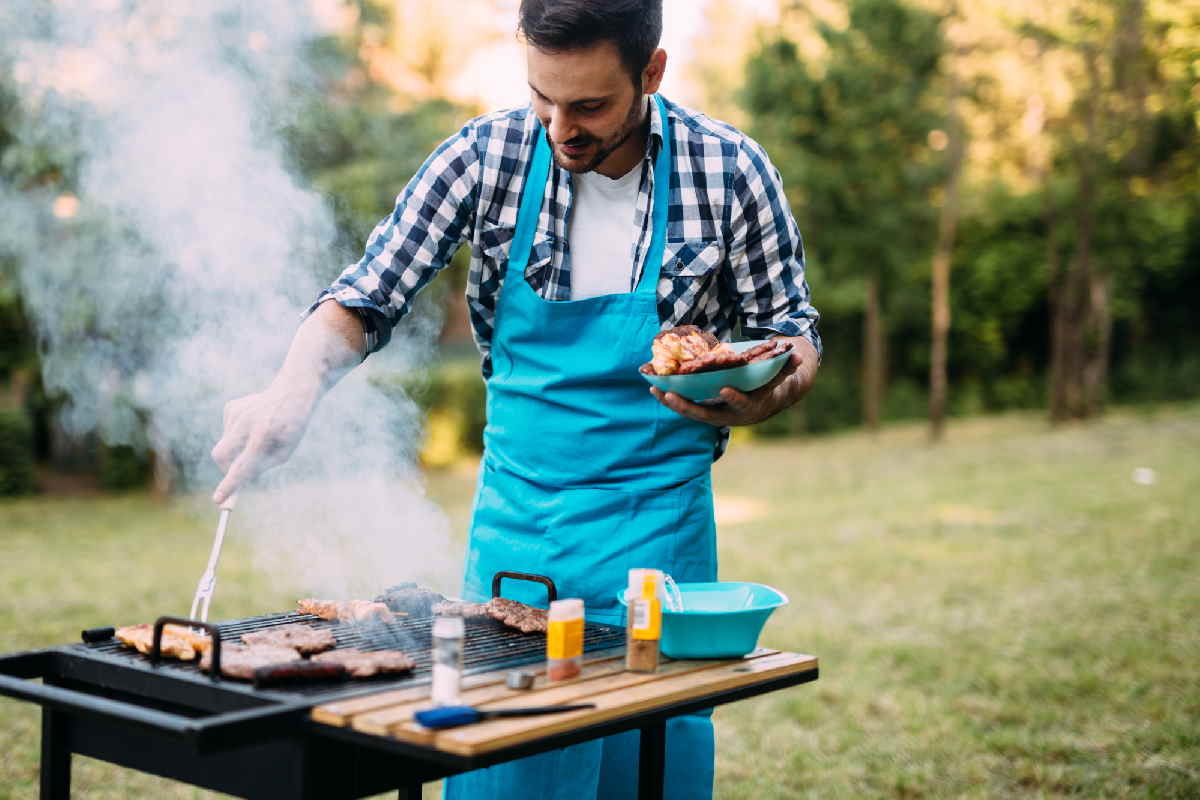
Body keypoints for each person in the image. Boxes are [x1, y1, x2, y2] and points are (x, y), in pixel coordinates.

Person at [211, 1, 820, 797]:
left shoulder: (731, 169)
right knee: (506, 766)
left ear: (653, 73)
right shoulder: (484, 155)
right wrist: (293, 388)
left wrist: (767, 396)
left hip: (658, 542)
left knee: (645, 767)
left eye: (590, 106)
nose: (559, 126)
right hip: (517, 541)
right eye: (543, 96)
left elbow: (792, 330)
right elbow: (368, 293)